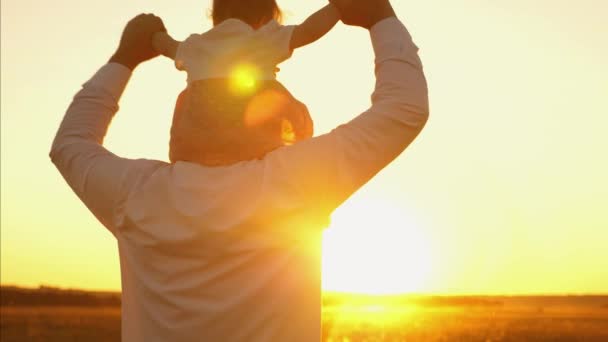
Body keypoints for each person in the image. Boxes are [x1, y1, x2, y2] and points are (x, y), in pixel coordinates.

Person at [49, 0, 429, 341]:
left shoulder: (135, 195)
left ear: (181, 110)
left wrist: (125, 57)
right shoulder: (298, 181)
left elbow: (70, 144)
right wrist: (380, 15)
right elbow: (404, 108)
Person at [152, 1, 340, 165]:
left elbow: (168, 46)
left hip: (198, 147)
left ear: (216, 15)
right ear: (266, 15)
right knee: (295, 118)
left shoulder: (196, 45)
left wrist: (154, 32)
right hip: (253, 143)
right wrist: (337, 7)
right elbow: (308, 30)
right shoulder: (262, 38)